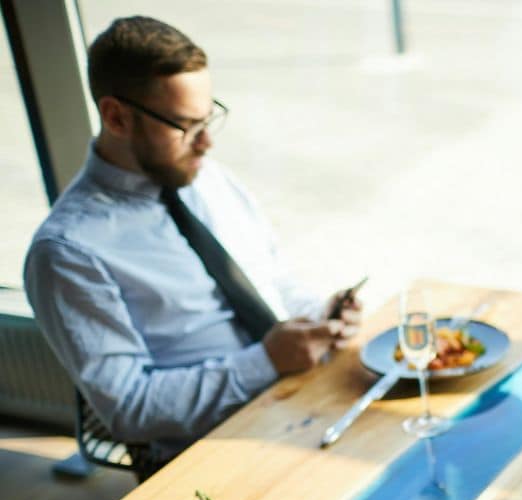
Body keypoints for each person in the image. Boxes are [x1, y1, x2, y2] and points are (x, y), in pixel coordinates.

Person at [23, 16, 362, 469]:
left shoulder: (207, 179)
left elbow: (274, 280)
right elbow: (129, 408)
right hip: (209, 454)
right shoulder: (67, 252)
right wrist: (264, 361)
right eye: (185, 126)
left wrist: (321, 316)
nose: (206, 143)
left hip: (299, 400)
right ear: (116, 117)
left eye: (209, 118)